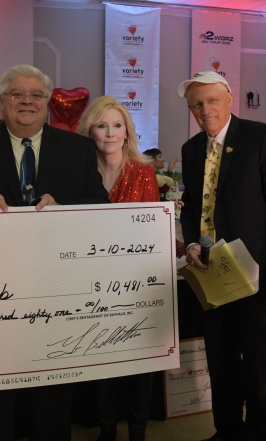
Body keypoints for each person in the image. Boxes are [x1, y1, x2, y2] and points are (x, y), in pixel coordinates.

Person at [0, 64, 109, 441]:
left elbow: (99, 205)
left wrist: (63, 209)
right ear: (2, 101)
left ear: (47, 103)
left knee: (52, 390)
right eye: (17, 94)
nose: (27, 101)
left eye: (36, 95)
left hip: (55, 286)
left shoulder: (78, 149)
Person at [177, 71, 266, 441]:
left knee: (261, 370)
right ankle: (228, 433)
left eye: (212, 101)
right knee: (221, 364)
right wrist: (192, 243)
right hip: (212, 276)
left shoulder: (262, 137)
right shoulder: (191, 149)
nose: (205, 110)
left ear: (230, 98)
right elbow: (192, 207)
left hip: (260, 277)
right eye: (197, 105)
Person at [77, 96, 157, 441]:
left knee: (140, 360)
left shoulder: (143, 172)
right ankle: (107, 431)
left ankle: (137, 433)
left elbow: (150, 233)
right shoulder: (79, 174)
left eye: (117, 125)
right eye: (101, 125)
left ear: (127, 132)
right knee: (99, 358)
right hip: (92, 281)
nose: (110, 133)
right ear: (90, 131)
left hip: (135, 281)